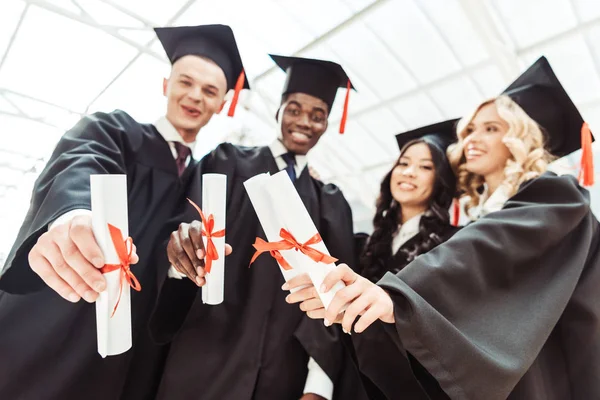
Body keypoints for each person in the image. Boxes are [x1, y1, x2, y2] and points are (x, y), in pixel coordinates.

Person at [287, 56, 600, 399]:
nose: (470, 140)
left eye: (491, 128)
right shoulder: (491, 214)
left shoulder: (555, 197)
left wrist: (400, 295)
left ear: (521, 138)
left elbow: (485, 250)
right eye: (470, 130)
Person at [0, 24, 248, 400]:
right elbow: (80, 161)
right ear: (166, 85)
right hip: (63, 319)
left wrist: (183, 260)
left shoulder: (205, 177)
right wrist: (75, 215)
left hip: (131, 350)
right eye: (185, 82)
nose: (194, 96)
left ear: (222, 102)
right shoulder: (116, 131)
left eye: (210, 90)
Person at [150, 55, 367, 400]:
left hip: (282, 373)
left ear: (328, 124)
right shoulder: (228, 162)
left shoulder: (331, 202)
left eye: (317, 116)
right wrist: (181, 252)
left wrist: (318, 385)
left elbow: (335, 291)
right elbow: (182, 229)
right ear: (278, 110)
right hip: (205, 356)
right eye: (294, 109)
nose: (303, 122)